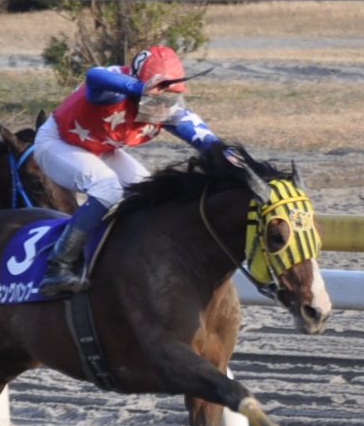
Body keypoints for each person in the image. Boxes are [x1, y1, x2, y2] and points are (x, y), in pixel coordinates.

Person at [34, 45, 236, 296]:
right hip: (57, 143)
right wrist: (139, 88)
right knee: (108, 188)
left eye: (170, 97)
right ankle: (58, 266)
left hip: (99, 147)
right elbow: (94, 75)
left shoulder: (167, 108)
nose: (163, 107)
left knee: (151, 192)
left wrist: (227, 154)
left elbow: (207, 142)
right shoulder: (112, 93)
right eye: (157, 97)